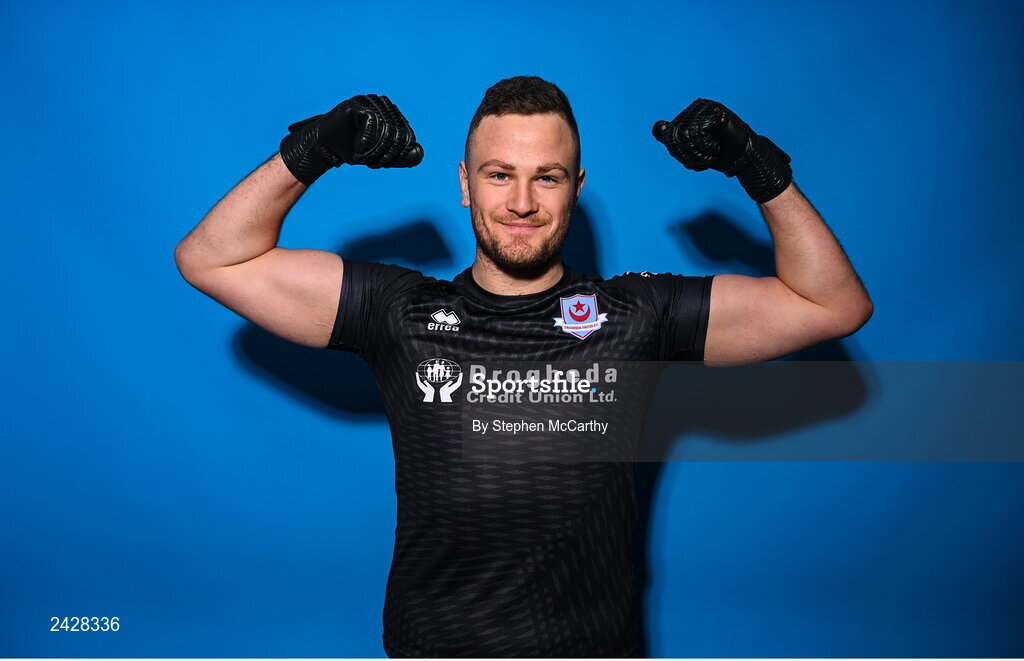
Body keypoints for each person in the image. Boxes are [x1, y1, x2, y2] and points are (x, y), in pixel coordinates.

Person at [174, 76, 872, 657]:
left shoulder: (636, 314)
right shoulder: (398, 311)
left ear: (576, 187)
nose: (521, 203)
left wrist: (759, 167)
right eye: (499, 175)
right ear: (466, 185)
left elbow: (831, 304)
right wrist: (315, 148)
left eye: (548, 177)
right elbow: (211, 257)